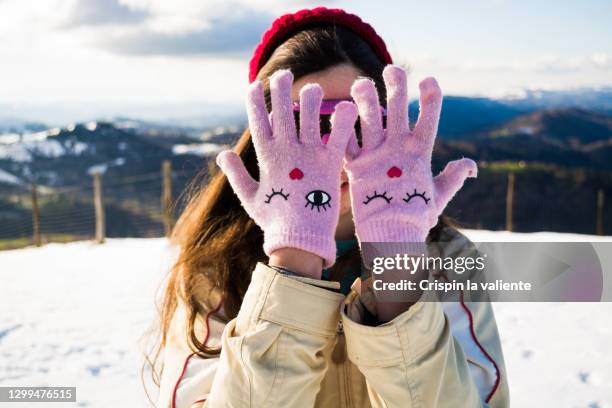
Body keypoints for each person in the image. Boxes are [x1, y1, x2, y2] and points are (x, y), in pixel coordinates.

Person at [149, 7, 509, 408]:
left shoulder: (448, 258)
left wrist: (396, 269)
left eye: (358, 121)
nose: (337, 149)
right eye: (313, 125)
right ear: (269, 135)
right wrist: (293, 259)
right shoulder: (217, 268)